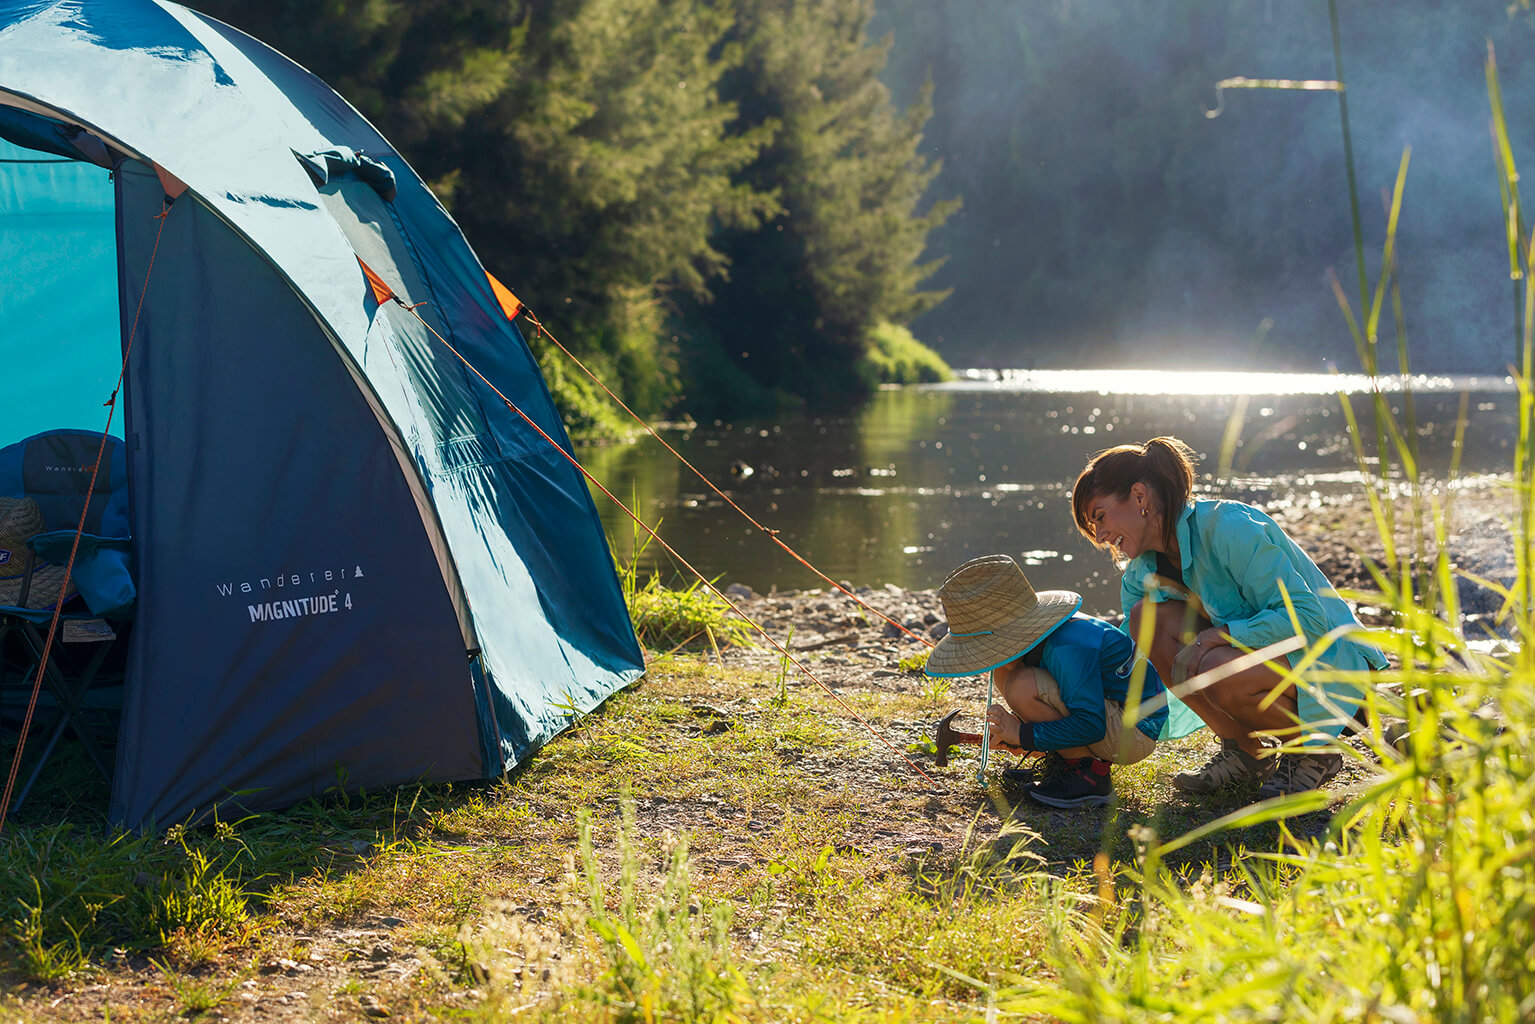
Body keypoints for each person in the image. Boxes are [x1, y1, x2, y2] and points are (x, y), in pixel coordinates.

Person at [1071, 436, 1388, 798]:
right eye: (1091, 528)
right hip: (1272, 671)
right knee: (1147, 621)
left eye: (1100, 517)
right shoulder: (1140, 574)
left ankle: (1315, 752)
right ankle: (1246, 754)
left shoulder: (1228, 526)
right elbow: (1130, 665)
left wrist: (1214, 636)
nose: (1100, 536)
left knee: (1212, 662)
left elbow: (1307, 618)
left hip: (1338, 674)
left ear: (1140, 497)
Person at [925, 554, 1168, 808]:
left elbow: (1091, 725)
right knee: (1006, 674)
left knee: (1020, 684)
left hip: (1135, 732)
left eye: (985, 648)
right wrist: (1023, 731)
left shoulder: (1067, 648)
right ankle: (1065, 761)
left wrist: (1021, 733)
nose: (986, 657)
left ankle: (1088, 775)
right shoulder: (1049, 639)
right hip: (1110, 714)